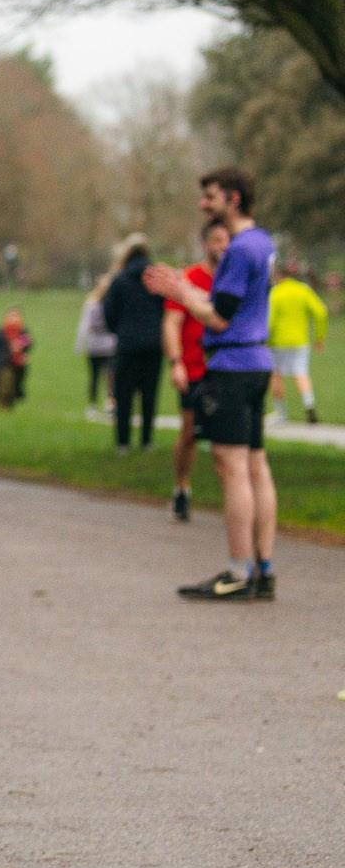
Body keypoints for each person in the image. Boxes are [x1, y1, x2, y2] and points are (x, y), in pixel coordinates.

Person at [146, 166, 279, 601]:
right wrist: (185, 288)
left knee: (232, 466)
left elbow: (219, 316)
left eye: (211, 197)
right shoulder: (263, 242)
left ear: (233, 199)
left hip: (232, 366)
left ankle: (238, 575)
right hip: (258, 361)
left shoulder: (240, 249)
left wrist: (181, 293)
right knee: (257, 465)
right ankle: (263, 569)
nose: (204, 204)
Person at [165, 219, 230, 522]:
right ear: (205, 244)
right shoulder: (188, 279)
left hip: (227, 368)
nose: (222, 246)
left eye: (226, 240)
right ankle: (181, 487)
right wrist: (176, 362)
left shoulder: (233, 280)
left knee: (227, 438)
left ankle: (233, 499)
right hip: (193, 367)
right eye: (216, 240)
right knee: (190, 432)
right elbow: (172, 323)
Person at [103, 235, 166, 451]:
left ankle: (123, 441)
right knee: (149, 394)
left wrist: (120, 330)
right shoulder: (156, 279)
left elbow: (109, 311)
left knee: (124, 395)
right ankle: (146, 440)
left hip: (127, 344)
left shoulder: (120, 279)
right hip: (153, 344)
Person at [267, 263, 326, 425]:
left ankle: (280, 413)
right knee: (301, 373)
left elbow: (270, 321)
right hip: (300, 341)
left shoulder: (276, 293)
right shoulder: (303, 290)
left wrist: (265, 340)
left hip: (277, 342)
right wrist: (319, 337)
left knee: (276, 375)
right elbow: (321, 312)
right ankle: (309, 404)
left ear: (279, 276)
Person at [74, 272, 117, 410]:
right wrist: (80, 344)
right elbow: (84, 326)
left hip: (105, 345)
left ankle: (103, 403)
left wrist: (80, 344)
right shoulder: (94, 304)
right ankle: (98, 403)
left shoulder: (99, 304)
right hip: (102, 345)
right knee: (102, 376)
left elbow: (84, 326)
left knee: (105, 376)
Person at [0, 308, 32, 409]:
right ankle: (3, 404)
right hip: (4, 363)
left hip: (18, 364)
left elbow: (28, 342)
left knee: (15, 384)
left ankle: (10, 403)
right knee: (4, 384)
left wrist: (20, 345)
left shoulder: (22, 331)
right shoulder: (1, 332)